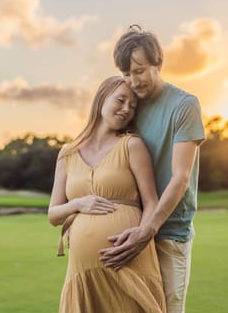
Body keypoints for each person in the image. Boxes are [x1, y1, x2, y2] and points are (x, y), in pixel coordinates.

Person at [99, 25, 206, 313]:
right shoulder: (128, 106)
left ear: (158, 64)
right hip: (130, 230)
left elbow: (180, 178)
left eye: (139, 70)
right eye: (126, 73)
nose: (133, 81)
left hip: (169, 233)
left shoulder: (184, 106)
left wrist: (148, 229)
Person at [48, 75, 166, 313]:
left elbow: (152, 202)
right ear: (101, 99)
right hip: (83, 271)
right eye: (121, 100)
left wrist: (140, 237)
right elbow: (53, 214)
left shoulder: (132, 145)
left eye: (132, 106)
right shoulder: (67, 153)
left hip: (129, 260)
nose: (126, 110)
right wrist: (79, 204)